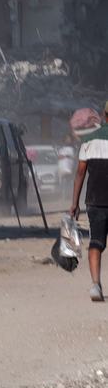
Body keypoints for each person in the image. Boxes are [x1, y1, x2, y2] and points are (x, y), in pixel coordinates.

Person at [70, 107, 108, 302]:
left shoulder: (89, 140)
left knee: (96, 242)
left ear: (104, 116)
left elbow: (80, 173)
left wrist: (74, 203)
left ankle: (95, 285)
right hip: (98, 200)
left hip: (95, 200)